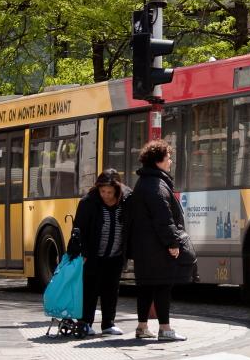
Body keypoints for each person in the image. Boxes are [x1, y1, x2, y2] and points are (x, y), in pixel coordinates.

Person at [128, 139, 196, 341]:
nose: (171, 161)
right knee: (162, 286)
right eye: (168, 158)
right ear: (158, 161)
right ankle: (165, 329)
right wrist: (172, 243)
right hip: (157, 248)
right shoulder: (157, 185)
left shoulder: (143, 183)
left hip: (143, 247)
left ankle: (142, 327)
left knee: (146, 287)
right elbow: (163, 219)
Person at [73, 168, 131, 336]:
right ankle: (85, 322)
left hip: (116, 255)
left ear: (117, 190)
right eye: (102, 191)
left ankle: (108, 324)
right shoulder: (88, 202)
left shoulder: (126, 200)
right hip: (93, 255)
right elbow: (79, 229)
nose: (106, 195)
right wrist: (82, 251)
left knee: (111, 290)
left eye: (110, 192)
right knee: (90, 289)